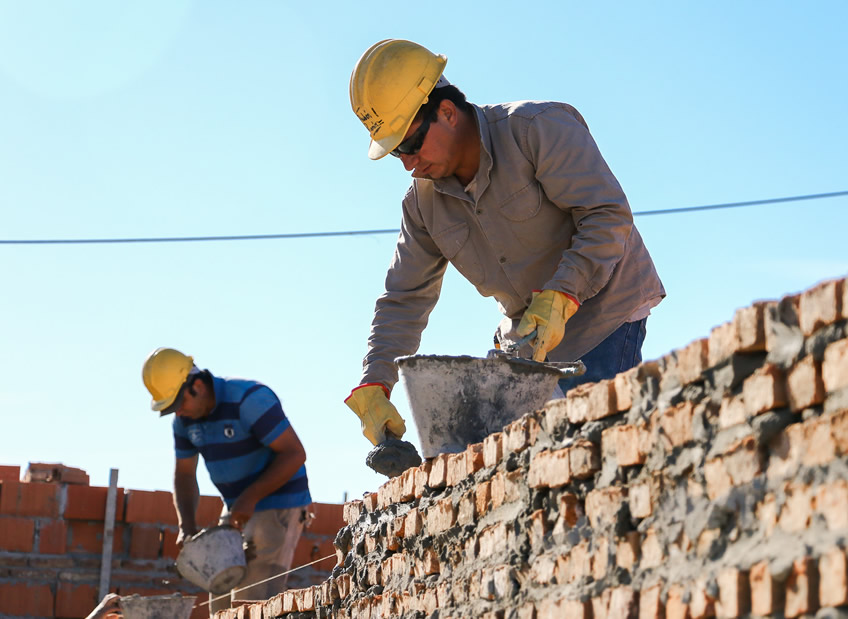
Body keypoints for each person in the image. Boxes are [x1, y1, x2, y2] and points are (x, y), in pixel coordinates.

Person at [344, 39, 666, 447]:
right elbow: (404, 299)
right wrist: (376, 380)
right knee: (514, 462)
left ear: (446, 112)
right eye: (395, 153)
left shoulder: (538, 129)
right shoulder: (422, 204)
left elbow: (606, 215)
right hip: (528, 338)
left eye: (409, 144)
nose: (408, 162)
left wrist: (564, 293)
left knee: (593, 447)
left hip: (606, 309)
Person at [141, 347, 312, 613]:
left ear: (197, 386)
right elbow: (184, 475)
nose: (179, 413)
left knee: (253, 601)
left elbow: (294, 454)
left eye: (179, 403)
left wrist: (250, 498)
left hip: (278, 503)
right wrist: (186, 525)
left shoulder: (249, 399)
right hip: (237, 505)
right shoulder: (184, 422)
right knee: (219, 600)